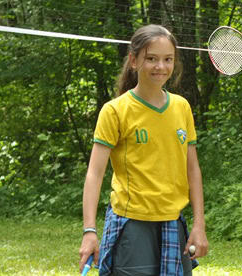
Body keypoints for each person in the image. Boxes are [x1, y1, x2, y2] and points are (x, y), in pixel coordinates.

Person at [77, 24, 208, 276]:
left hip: (173, 224)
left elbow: (193, 169)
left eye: (167, 59)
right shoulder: (115, 110)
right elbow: (94, 174)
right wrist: (89, 230)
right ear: (134, 60)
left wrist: (199, 225)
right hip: (131, 227)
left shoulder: (181, 107)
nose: (160, 67)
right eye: (151, 59)